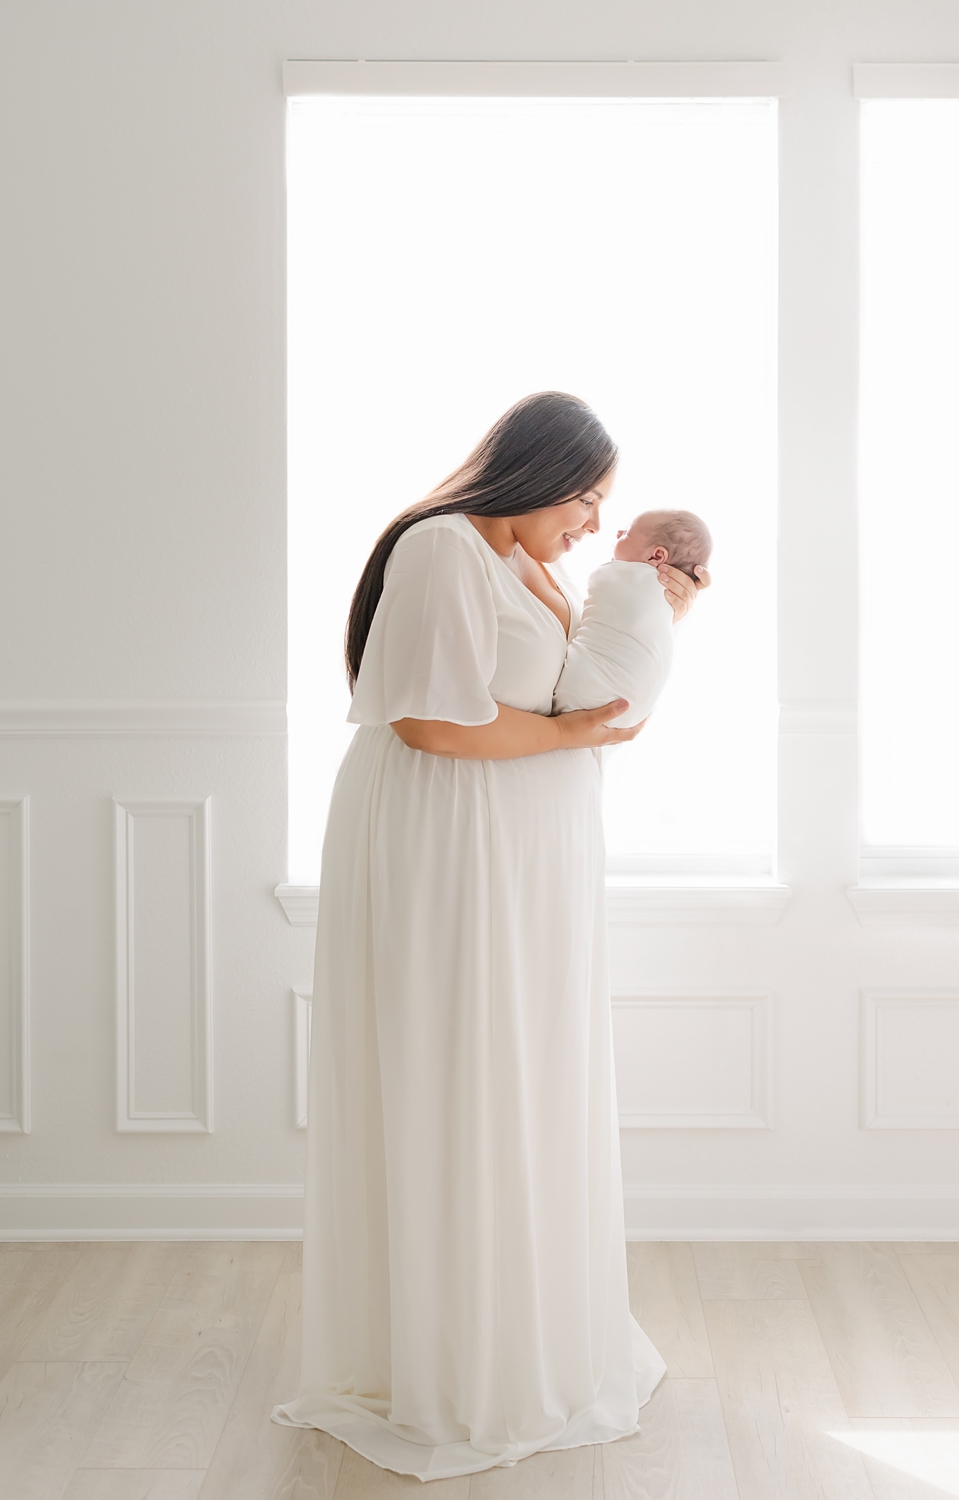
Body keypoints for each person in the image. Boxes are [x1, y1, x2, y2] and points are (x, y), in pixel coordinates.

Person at [272, 392, 709, 1482]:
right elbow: (432, 720)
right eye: (587, 498)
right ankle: (448, 1359)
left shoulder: (533, 571)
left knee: (521, 1079)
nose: (593, 525)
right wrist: (564, 733)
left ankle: (518, 1337)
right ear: (536, 472)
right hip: (447, 846)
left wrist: (661, 618)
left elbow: (599, 711)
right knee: (458, 1075)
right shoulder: (442, 549)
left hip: (518, 855)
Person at [553, 508, 713, 724]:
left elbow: (600, 586)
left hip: (584, 693)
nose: (618, 533)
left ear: (656, 556)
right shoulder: (670, 597)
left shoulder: (617, 577)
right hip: (632, 714)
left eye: (627, 532)